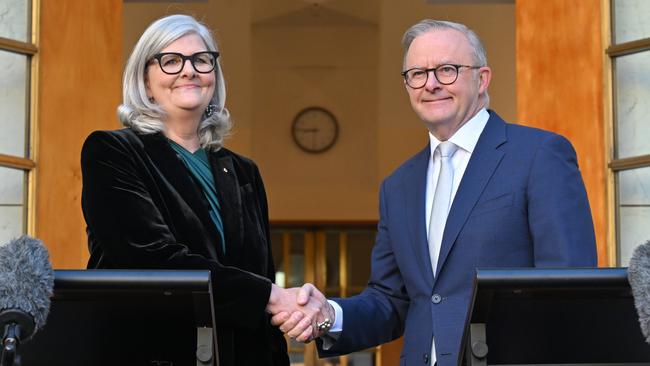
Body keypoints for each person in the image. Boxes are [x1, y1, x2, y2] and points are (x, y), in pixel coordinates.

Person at [272, 19, 598, 366]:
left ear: (482, 78)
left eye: (447, 70)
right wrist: (329, 314)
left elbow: (568, 289)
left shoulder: (538, 155)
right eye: (417, 73)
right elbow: (390, 301)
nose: (431, 84)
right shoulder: (398, 186)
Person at [81, 14, 319, 366]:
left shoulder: (243, 172)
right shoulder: (112, 151)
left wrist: (278, 310)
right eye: (171, 60)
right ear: (145, 81)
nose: (188, 70)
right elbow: (151, 260)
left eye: (201, 60)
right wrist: (270, 296)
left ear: (214, 75)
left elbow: (261, 277)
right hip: (151, 354)